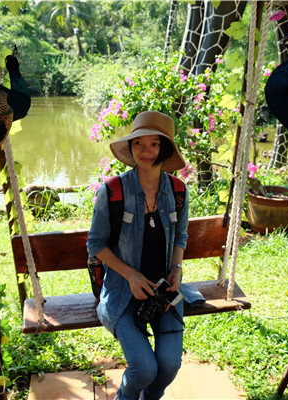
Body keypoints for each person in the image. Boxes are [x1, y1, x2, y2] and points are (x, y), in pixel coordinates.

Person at [87, 110, 189, 400]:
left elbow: (181, 236)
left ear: (165, 148)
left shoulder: (178, 191)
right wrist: (131, 275)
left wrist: (176, 271)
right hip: (122, 293)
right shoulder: (113, 190)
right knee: (144, 369)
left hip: (164, 293)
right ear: (130, 147)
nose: (146, 151)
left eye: (155, 144)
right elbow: (95, 244)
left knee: (168, 366)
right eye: (139, 143)